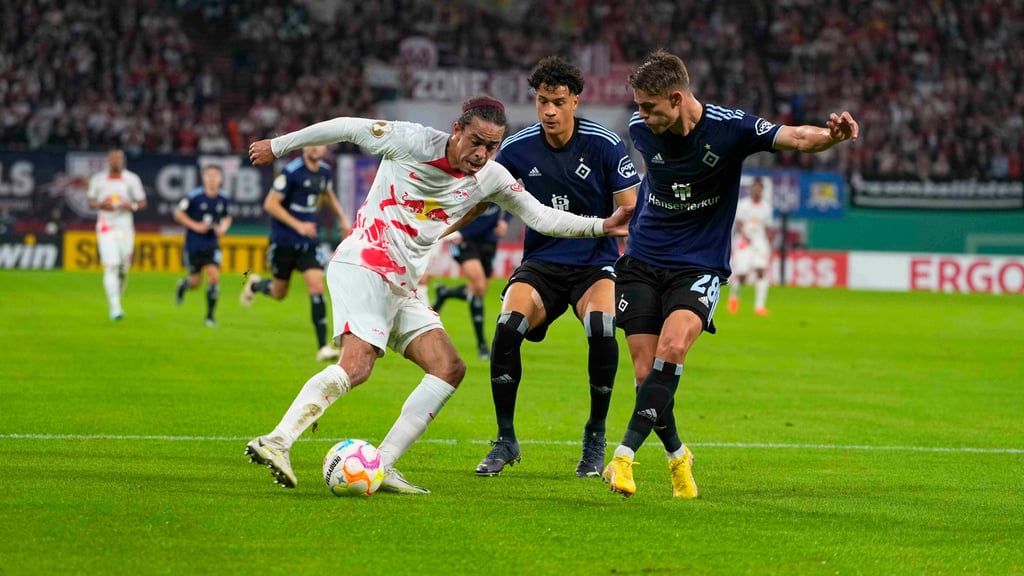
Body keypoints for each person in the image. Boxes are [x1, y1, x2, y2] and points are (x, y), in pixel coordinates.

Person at [243, 95, 632, 494]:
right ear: (457, 130)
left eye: (491, 147)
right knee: (357, 365)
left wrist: (602, 226)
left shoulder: (492, 177)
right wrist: (279, 144)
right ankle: (277, 441)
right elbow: (346, 125)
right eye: (476, 142)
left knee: (449, 368)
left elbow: (541, 216)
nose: (481, 154)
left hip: (402, 287)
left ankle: (382, 465)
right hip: (363, 265)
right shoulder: (410, 141)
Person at [604, 49, 858, 498]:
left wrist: (831, 137)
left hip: (698, 263)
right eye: (639, 105)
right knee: (646, 375)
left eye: (649, 106)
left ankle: (623, 456)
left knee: (674, 347)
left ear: (678, 98)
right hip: (642, 259)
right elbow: (654, 182)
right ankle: (678, 456)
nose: (639, 115)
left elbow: (796, 137)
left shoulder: (731, 128)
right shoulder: (642, 131)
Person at [472, 56, 639, 479]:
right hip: (542, 264)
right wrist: (435, 228)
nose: (548, 110)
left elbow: (631, 211)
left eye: (557, 102)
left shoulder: (604, 144)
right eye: (542, 101)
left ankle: (595, 435)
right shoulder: (516, 148)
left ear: (574, 102)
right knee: (507, 327)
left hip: (595, 265)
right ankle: (505, 439)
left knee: (601, 328)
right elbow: (476, 200)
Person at [240, 145, 352, 362]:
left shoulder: (325, 172)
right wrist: (298, 225)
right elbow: (270, 204)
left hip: (308, 241)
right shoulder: (292, 172)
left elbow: (328, 194)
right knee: (279, 293)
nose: (316, 147)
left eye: (321, 143)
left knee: (317, 286)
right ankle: (255, 285)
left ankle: (322, 348)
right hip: (284, 241)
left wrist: (343, 218)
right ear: (304, 146)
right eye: (312, 142)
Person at [431, 203, 512, 360]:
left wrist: (505, 220)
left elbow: (516, 197)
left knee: (478, 290)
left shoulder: (499, 180)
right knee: (479, 284)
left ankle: (445, 292)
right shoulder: (465, 180)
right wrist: (452, 231)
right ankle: (482, 343)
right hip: (464, 238)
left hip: (489, 240)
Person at [86, 149, 147, 320]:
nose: (116, 162)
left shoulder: (132, 179)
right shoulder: (98, 180)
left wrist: (132, 206)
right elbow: (90, 200)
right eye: (113, 159)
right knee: (111, 265)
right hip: (106, 226)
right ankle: (115, 307)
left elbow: (142, 202)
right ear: (108, 161)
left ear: (123, 161)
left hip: (125, 226)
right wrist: (100, 205)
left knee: (123, 268)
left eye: (119, 159)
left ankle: (116, 299)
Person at [174, 164, 233, 327]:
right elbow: (178, 213)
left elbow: (228, 217)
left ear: (221, 179)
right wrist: (195, 226)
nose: (213, 179)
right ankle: (183, 285)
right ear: (204, 178)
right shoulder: (194, 197)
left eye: (216, 175)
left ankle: (210, 316)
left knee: (214, 276)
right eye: (209, 175)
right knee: (195, 282)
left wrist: (223, 228)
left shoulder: (223, 198)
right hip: (193, 244)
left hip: (211, 243)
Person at [728, 177, 775, 316]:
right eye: (755, 187)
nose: (757, 190)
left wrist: (768, 245)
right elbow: (738, 223)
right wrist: (746, 234)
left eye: (759, 188)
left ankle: (759, 307)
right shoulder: (743, 205)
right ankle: (734, 298)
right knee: (742, 275)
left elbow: (767, 227)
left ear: (762, 190)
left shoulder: (766, 208)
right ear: (751, 189)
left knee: (761, 271)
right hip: (744, 242)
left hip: (759, 242)